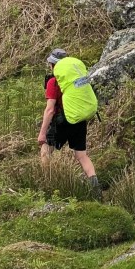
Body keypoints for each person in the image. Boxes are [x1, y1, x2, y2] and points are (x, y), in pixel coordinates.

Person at [38, 48, 101, 195]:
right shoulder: (76, 79)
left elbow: (50, 110)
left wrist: (42, 133)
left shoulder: (53, 82)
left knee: (46, 148)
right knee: (81, 155)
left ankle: (49, 184)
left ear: (53, 65)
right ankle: (96, 189)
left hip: (62, 121)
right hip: (79, 119)